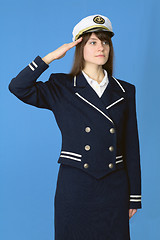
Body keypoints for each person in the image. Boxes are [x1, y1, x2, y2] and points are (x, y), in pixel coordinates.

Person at [9, 14, 142, 240]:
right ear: (79, 47)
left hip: (114, 186)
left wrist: (134, 196)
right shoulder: (61, 86)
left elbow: (131, 145)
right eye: (93, 42)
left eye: (105, 42)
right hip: (76, 186)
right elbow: (18, 87)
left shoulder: (125, 90)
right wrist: (50, 57)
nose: (101, 47)